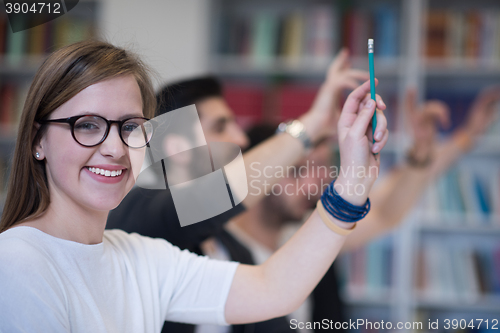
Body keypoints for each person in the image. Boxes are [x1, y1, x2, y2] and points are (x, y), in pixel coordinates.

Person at [0, 40, 389, 332]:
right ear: (37, 140)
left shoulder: (140, 257)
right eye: (87, 125)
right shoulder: (19, 261)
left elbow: (274, 288)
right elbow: (219, 193)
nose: (115, 147)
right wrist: (313, 124)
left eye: (131, 127)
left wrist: (353, 181)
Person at [107, 49, 371, 333]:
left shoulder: (233, 248)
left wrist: (355, 178)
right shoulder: (141, 213)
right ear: (177, 148)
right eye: (221, 127)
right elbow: (213, 196)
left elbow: (272, 301)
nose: (241, 138)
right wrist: (313, 123)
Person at [210, 85, 500, 332]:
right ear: (256, 174)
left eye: (321, 170)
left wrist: (461, 139)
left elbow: (387, 209)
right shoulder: (215, 251)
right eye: (297, 170)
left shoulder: (303, 234)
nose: (314, 185)